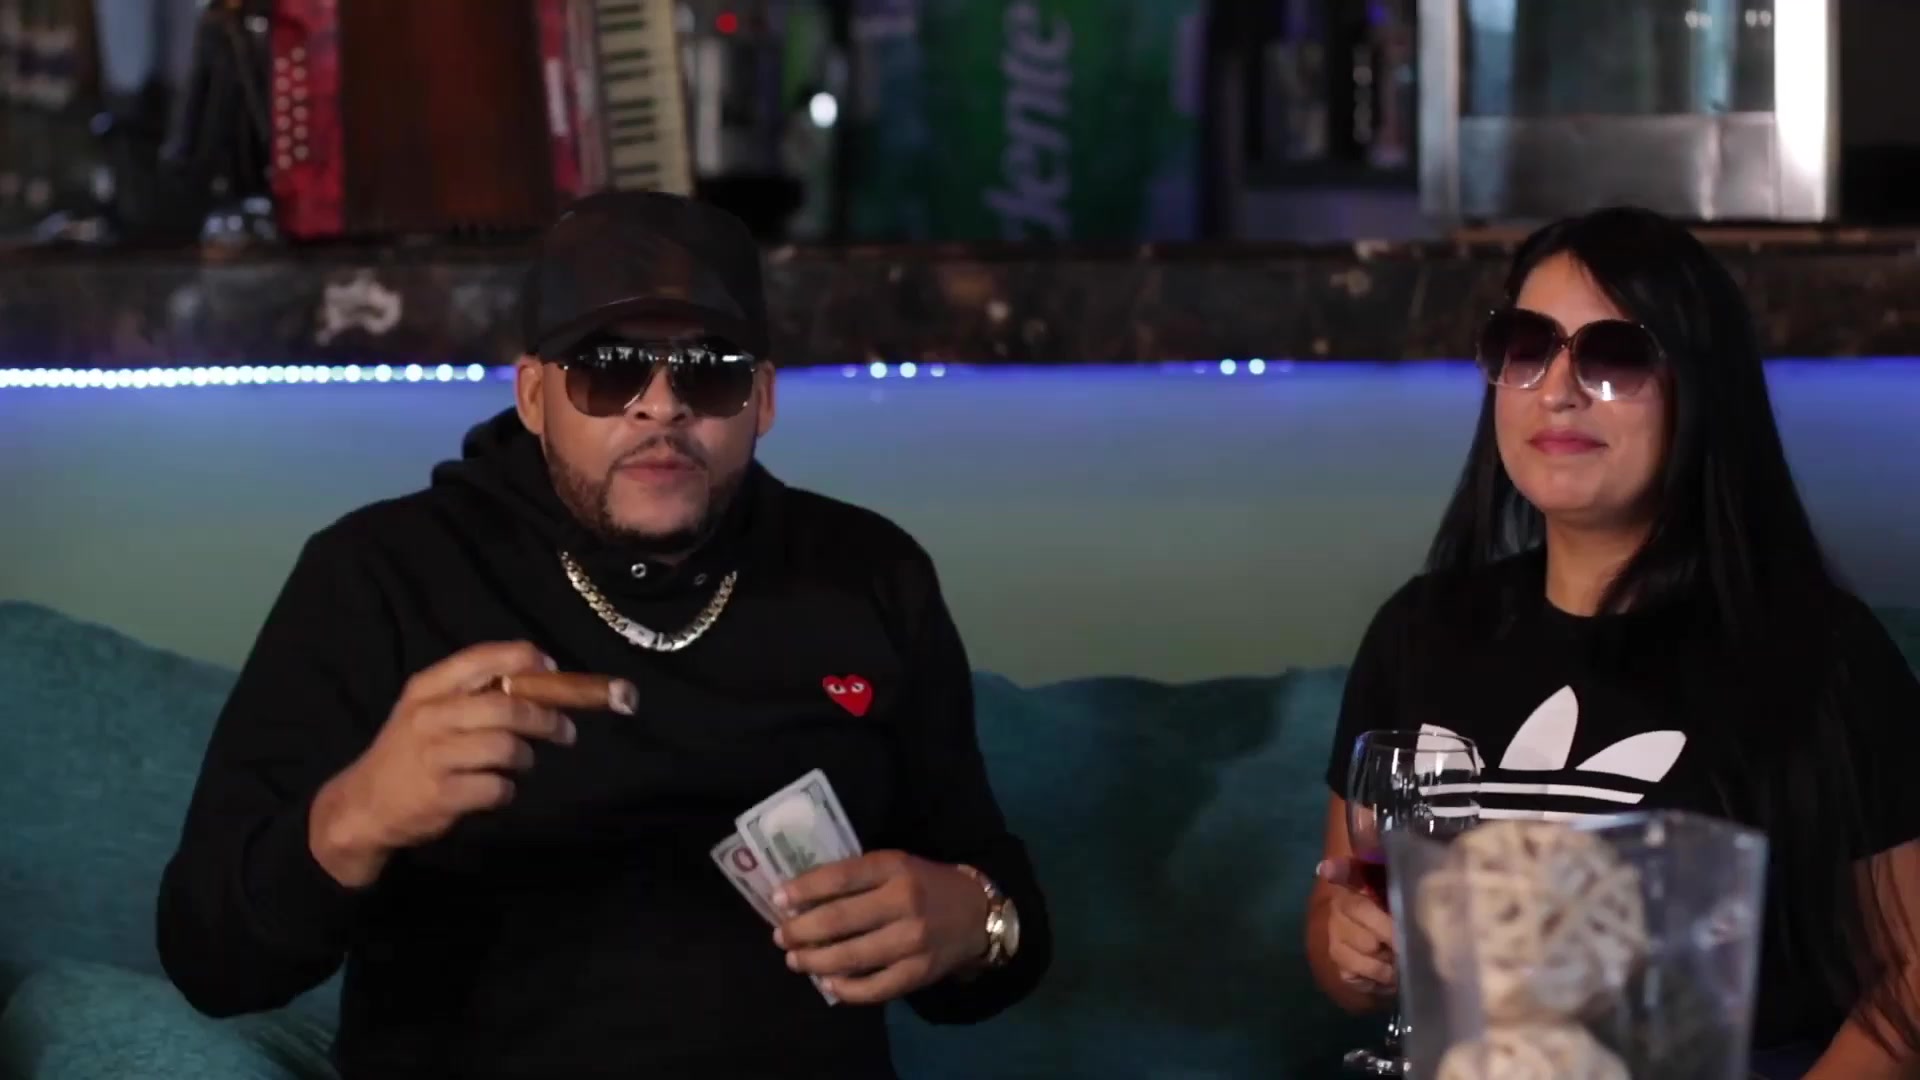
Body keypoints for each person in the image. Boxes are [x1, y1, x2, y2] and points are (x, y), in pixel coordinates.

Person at [156, 191, 1049, 1079]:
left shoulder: (869, 572)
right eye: (608, 369)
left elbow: (993, 925)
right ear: (534, 396)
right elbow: (211, 961)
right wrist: (359, 816)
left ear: (763, 400)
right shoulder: (381, 574)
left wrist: (978, 921)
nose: (660, 408)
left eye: (709, 370)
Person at [1305, 206, 1920, 1079]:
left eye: (1615, 355)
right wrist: (1352, 954)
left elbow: (1911, 977)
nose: (1557, 389)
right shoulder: (1420, 630)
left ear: (1698, 390)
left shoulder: (1822, 653)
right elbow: (1336, 935)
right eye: (1527, 346)